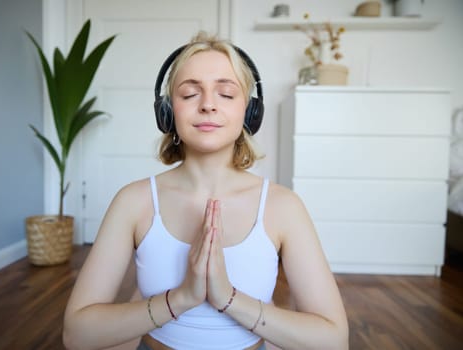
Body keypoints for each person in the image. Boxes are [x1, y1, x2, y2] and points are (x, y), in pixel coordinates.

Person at [63, 32, 348, 350]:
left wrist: (227, 298)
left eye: (226, 94)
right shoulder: (133, 202)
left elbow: (333, 340)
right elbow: (77, 334)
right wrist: (181, 298)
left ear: (249, 113)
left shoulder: (284, 207)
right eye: (189, 94)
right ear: (167, 112)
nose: (209, 105)